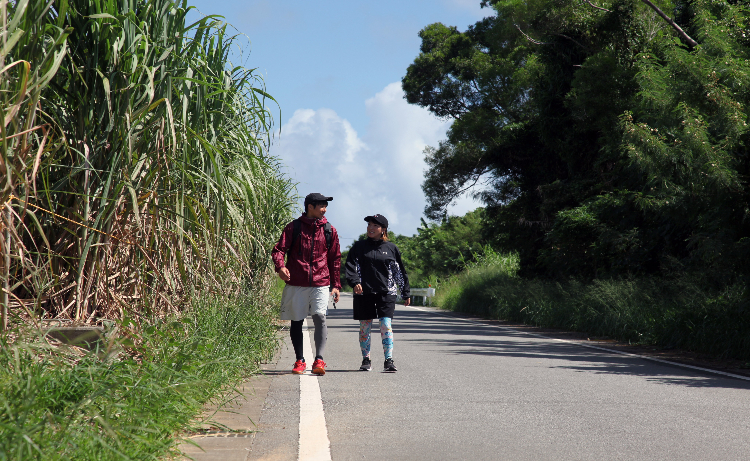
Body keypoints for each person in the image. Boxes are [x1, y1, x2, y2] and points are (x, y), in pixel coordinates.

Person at [272, 193, 341, 375]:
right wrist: (280, 267)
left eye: (326, 206)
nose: (325, 209)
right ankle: (300, 360)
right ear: (310, 206)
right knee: (297, 320)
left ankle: (319, 360)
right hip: (297, 282)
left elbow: (335, 259)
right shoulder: (293, 227)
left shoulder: (329, 230)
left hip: (321, 281)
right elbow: (279, 250)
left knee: (320, 317)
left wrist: (336, 285)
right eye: (321, 206)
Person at [344, 214, 410, 372]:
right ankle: (366, 359)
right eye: (369, 225)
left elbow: (399, 271)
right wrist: (355, 282)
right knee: (364, 327)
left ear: (383, 230)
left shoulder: (391, 248)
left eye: (375, 226)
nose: (371, 228)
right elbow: (350, 266)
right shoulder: (359, 247)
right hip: (363, 293)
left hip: (386, 293)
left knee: (386, 325)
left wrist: (405, 292)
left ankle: (389, 360)